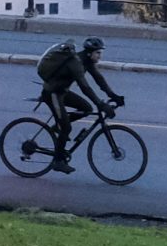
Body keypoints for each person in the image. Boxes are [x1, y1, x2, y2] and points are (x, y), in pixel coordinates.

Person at [34, 35, 121, 171]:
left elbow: (99, 80)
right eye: (98, 52)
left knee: (86, 108)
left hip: (62, 91)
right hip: (53, 94)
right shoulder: (75, 63)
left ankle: (59, 125)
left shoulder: (87, 62)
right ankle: (57, 161)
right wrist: (101, 104)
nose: (100, 56)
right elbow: (85, 87)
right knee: (67, 128)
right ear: (89, 52)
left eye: (100, 52)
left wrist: (114, 96)